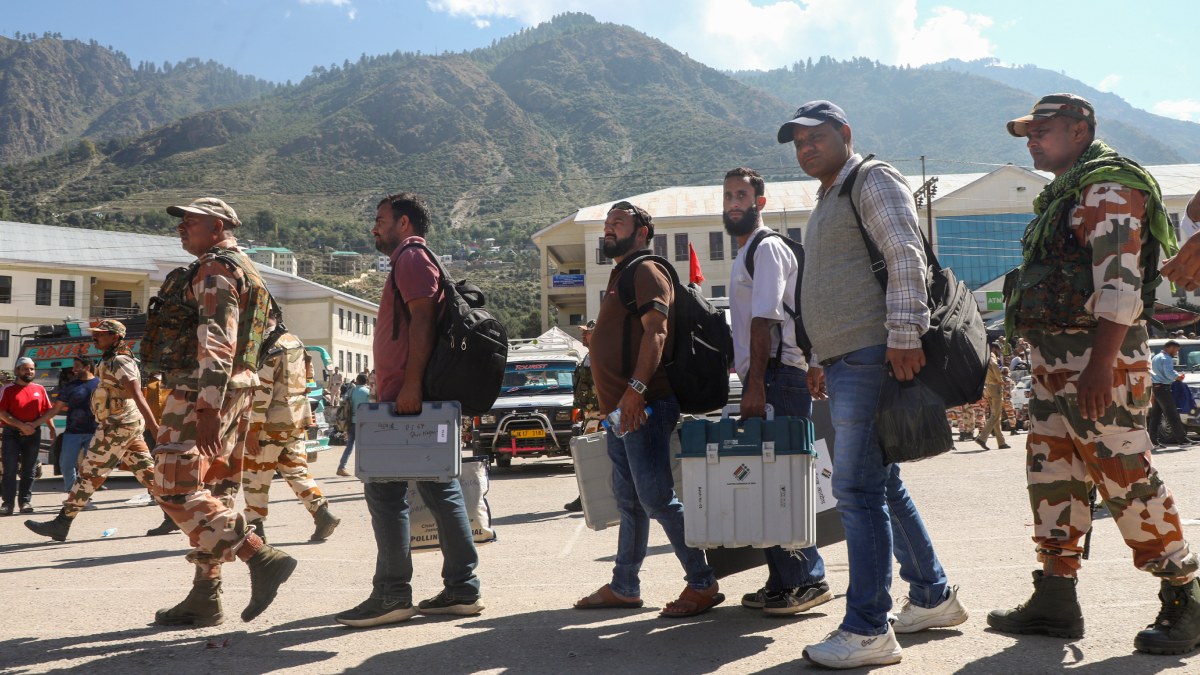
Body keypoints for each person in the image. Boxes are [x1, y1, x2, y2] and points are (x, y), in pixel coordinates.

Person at [988, 93, 1200, 655]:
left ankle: (1186, 595)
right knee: (1052, 474)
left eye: (1044, 129)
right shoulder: (1067, 192)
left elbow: (1121, 285)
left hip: (1098, 360)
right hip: (1055, 360)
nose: (1033, 140)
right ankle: (1056, 597)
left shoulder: (1108, 189)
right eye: (1029, 132)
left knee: (1126, 476)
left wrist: (1102, 364)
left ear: (1080, 131)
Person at [777, 100, 968, 668]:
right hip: (847, 358)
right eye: (798, 142)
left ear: (845, 133)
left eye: (815, 136)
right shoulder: (828, 196)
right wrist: (817, 355)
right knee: (881, 485)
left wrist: (905, 333)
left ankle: (867, 629)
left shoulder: (871, 178)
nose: (806, 148)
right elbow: (834, 283)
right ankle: (932, 596)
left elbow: (904, 255)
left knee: (856, 492)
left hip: (872, 354)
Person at [335, 192, 483, 628]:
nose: (374, 227)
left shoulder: (412, 257)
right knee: (439, 489)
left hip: (406, 399)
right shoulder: (413, 259)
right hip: (409, 396)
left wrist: (411, 385)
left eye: (380, 219)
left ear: (403, 223)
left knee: (384, 492)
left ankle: (393, 594)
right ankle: (462, 589)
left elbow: (422, 321)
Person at [148, 197, 297, 627]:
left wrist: (207, 406)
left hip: (203, 392)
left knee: (173, 486)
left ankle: (260, 556)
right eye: (181, 222)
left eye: (190, 221)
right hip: (238, 390)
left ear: (217, 226)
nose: (181, 227)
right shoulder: (248, 269)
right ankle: (205, 595)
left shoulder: (215, 269)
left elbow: (216, 340)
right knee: (214, 490)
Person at [573, 200, 722, 619]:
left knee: (656, 498)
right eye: (607, 223)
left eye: (618, 222)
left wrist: (636, 389)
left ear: (641, 232)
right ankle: (624, 586)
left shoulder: (646, 270)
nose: (609, 228)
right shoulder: (622, 274)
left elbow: (657, 331)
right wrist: (598, 340)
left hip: (645, 405)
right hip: (621, 412)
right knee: (630, 501)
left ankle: (703, 582)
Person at [722, 167, 833, 616]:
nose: (734, 203)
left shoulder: (766, 247)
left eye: (742, 195)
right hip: (767, 377)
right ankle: (782, 580)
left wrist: (753, 384)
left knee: (783, 481)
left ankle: (808, 579)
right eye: (729, 196)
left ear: (760, 203)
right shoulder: (747, 251)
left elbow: (765, 319)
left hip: (777, 377)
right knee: (766, 482)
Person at [25, 320, 162, 541]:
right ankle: (176, 512)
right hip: (124, 424)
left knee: (89, 473)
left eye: (101, 334)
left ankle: (62, 523)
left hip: (118, 425)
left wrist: (154, 427)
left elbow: (137, 393)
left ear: (115, 337)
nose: (95, 337)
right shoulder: (109, 359)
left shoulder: (120, 360)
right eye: (95, 333)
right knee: (148, 472)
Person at [241, 313, 341, 543]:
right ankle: (322, 513)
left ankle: (255, 529)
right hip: (294, 420)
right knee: (295, 470)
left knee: (256, 476)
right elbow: (308, 380)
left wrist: (253, 429)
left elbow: (261, 391)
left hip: (269, 423)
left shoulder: (267, 345)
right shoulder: (294, 341)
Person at [0, 357, 56, 515]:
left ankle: (25, 502)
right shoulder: (7, 389)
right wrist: (21, 426)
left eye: (32, 369)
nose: (29, 371)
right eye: (25, 369)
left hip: (33, 434)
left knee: (29, 470)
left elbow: (47, 411)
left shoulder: (39, 389)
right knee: (9, 470)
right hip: (12, 434)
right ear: (17, 371)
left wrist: (51, 429)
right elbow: (2, 412)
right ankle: (7, 504)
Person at [48, 358, 99, 491]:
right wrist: (36, 423)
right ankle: (72, 493)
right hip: (72, 433)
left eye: (77, 366)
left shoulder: (101, 385)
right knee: (66, 464)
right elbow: (55, 409)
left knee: (91, 466)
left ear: (87, 367)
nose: (73, 369)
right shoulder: (70, 386)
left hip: (95, 432)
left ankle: (85, 494)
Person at [564, 320, 598, 513]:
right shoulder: (589, 356)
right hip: (590, 415)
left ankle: (588, 499)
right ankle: (587, 497)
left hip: (601, 417)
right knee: (587, 458)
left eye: (587, 333)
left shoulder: (602, 356)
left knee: (591, 459)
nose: (583, 335)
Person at [1149, 340, 1191, 448]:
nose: (1176, 353)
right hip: (1163, 389)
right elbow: (1169, 374)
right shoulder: (1166, 358)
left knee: (1156, 416)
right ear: (1171, 348)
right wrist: (1178, 377)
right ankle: (1183, 441)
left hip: (1156, 388)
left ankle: (1152, 441)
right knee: (1172, 415)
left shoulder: (1156, 357)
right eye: (1176, 350)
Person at [975, 345, 1011, 450]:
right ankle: (982, 438)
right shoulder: (991, 356)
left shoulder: (983, 356)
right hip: (995, 388)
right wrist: (1000, 379)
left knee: (996, 415)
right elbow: (995, 365)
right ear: (994, 349)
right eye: (998, 350)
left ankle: (1001, 442)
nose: (998, 352)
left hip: (988, 387)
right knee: (995, 415)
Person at [335, 373, 372, 477]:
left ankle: (341, 467)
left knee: (349, 446)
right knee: (363, 447)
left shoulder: (351, 391)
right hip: (362, 423)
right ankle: (363, 468)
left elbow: (343, 402)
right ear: (366, 381)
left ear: (357, 380)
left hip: (350, 422)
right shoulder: (367, 392)